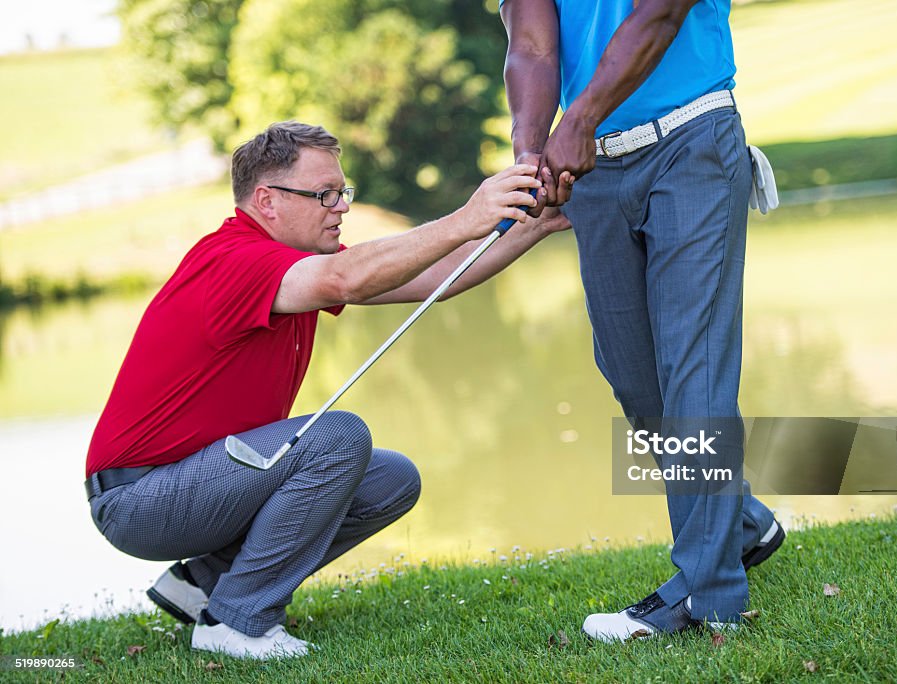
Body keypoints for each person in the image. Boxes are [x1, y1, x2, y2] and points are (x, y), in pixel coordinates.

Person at [85, 121, 567, 659]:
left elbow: (439, 278)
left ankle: (203, 581)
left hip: (202, 482)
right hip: (140, 500)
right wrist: (465, 217)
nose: (340, 207)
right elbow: (346, 278)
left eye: (343, 193)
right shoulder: (234, 260)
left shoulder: (289, 266)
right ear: (266, 201)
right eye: (325, 195)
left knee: (391, 479)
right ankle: (235, 622)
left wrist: (534, 225)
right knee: (337, 437)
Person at [501, 0, 784, 641]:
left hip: (692, 143)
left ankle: (710, 598)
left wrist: (578, 120)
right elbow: (533, 45)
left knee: (695, 370)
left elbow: (657, 18)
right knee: (634, 378)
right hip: (594, 169)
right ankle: (741, 524)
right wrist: (530, 152)